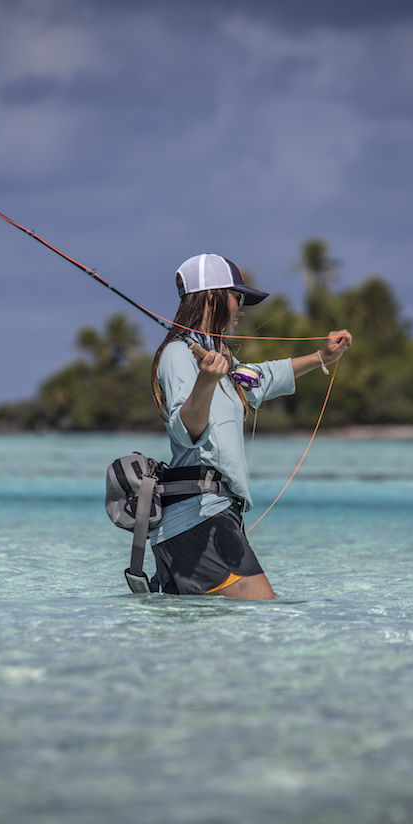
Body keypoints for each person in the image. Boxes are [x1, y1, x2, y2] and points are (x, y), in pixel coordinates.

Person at [148, 253, 352, 600]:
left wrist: (323, 357)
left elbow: (261, 377)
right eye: (237, 297)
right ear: (211, 296)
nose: (241, 309)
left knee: (224, 631)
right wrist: (206, 382)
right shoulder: (178, 355)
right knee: (265, 615)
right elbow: (187, 430)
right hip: (199, 520)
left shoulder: (221, 359)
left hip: (213, 518)